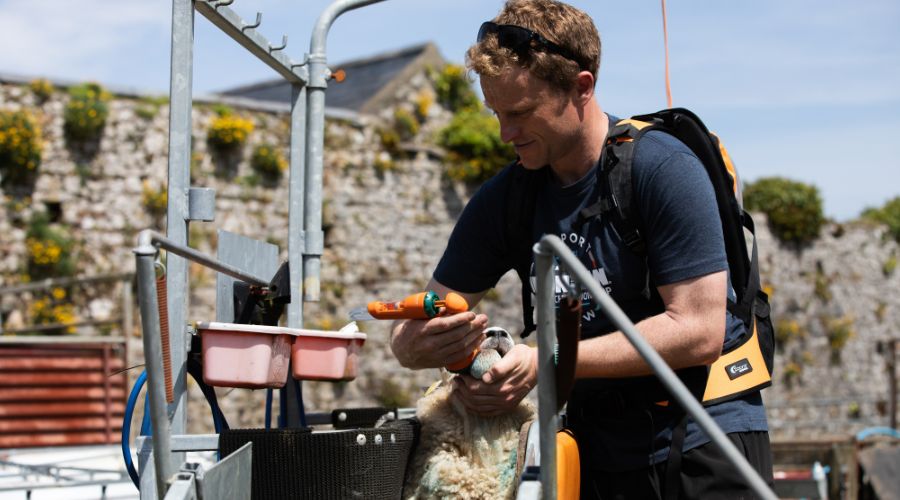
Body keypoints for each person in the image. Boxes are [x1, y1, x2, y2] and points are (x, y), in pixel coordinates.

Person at [390, 0, 773, 498]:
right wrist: (415, 346)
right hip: (593, 446)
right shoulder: (508, 198)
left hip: (704, 435)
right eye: (496, 114)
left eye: (522, 113)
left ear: (582, 87)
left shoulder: (662, 169)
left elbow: (698, 330)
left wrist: (545, 360)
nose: (506, 134)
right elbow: (415, 323)